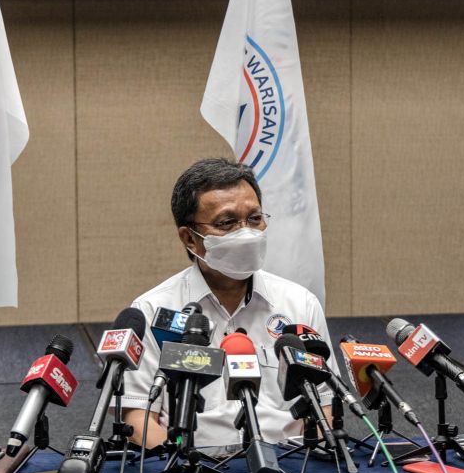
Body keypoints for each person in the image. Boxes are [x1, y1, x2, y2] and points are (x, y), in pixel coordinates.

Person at [120, 158, 334, 448]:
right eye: (227, 223)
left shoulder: (300, 304)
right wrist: (183, 465)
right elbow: (138, 418)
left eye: (254, 218)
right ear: (190, 238)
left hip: (289, 461)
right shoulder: (152, 310)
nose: (246, 233)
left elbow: (325, 407)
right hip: (192, 463)